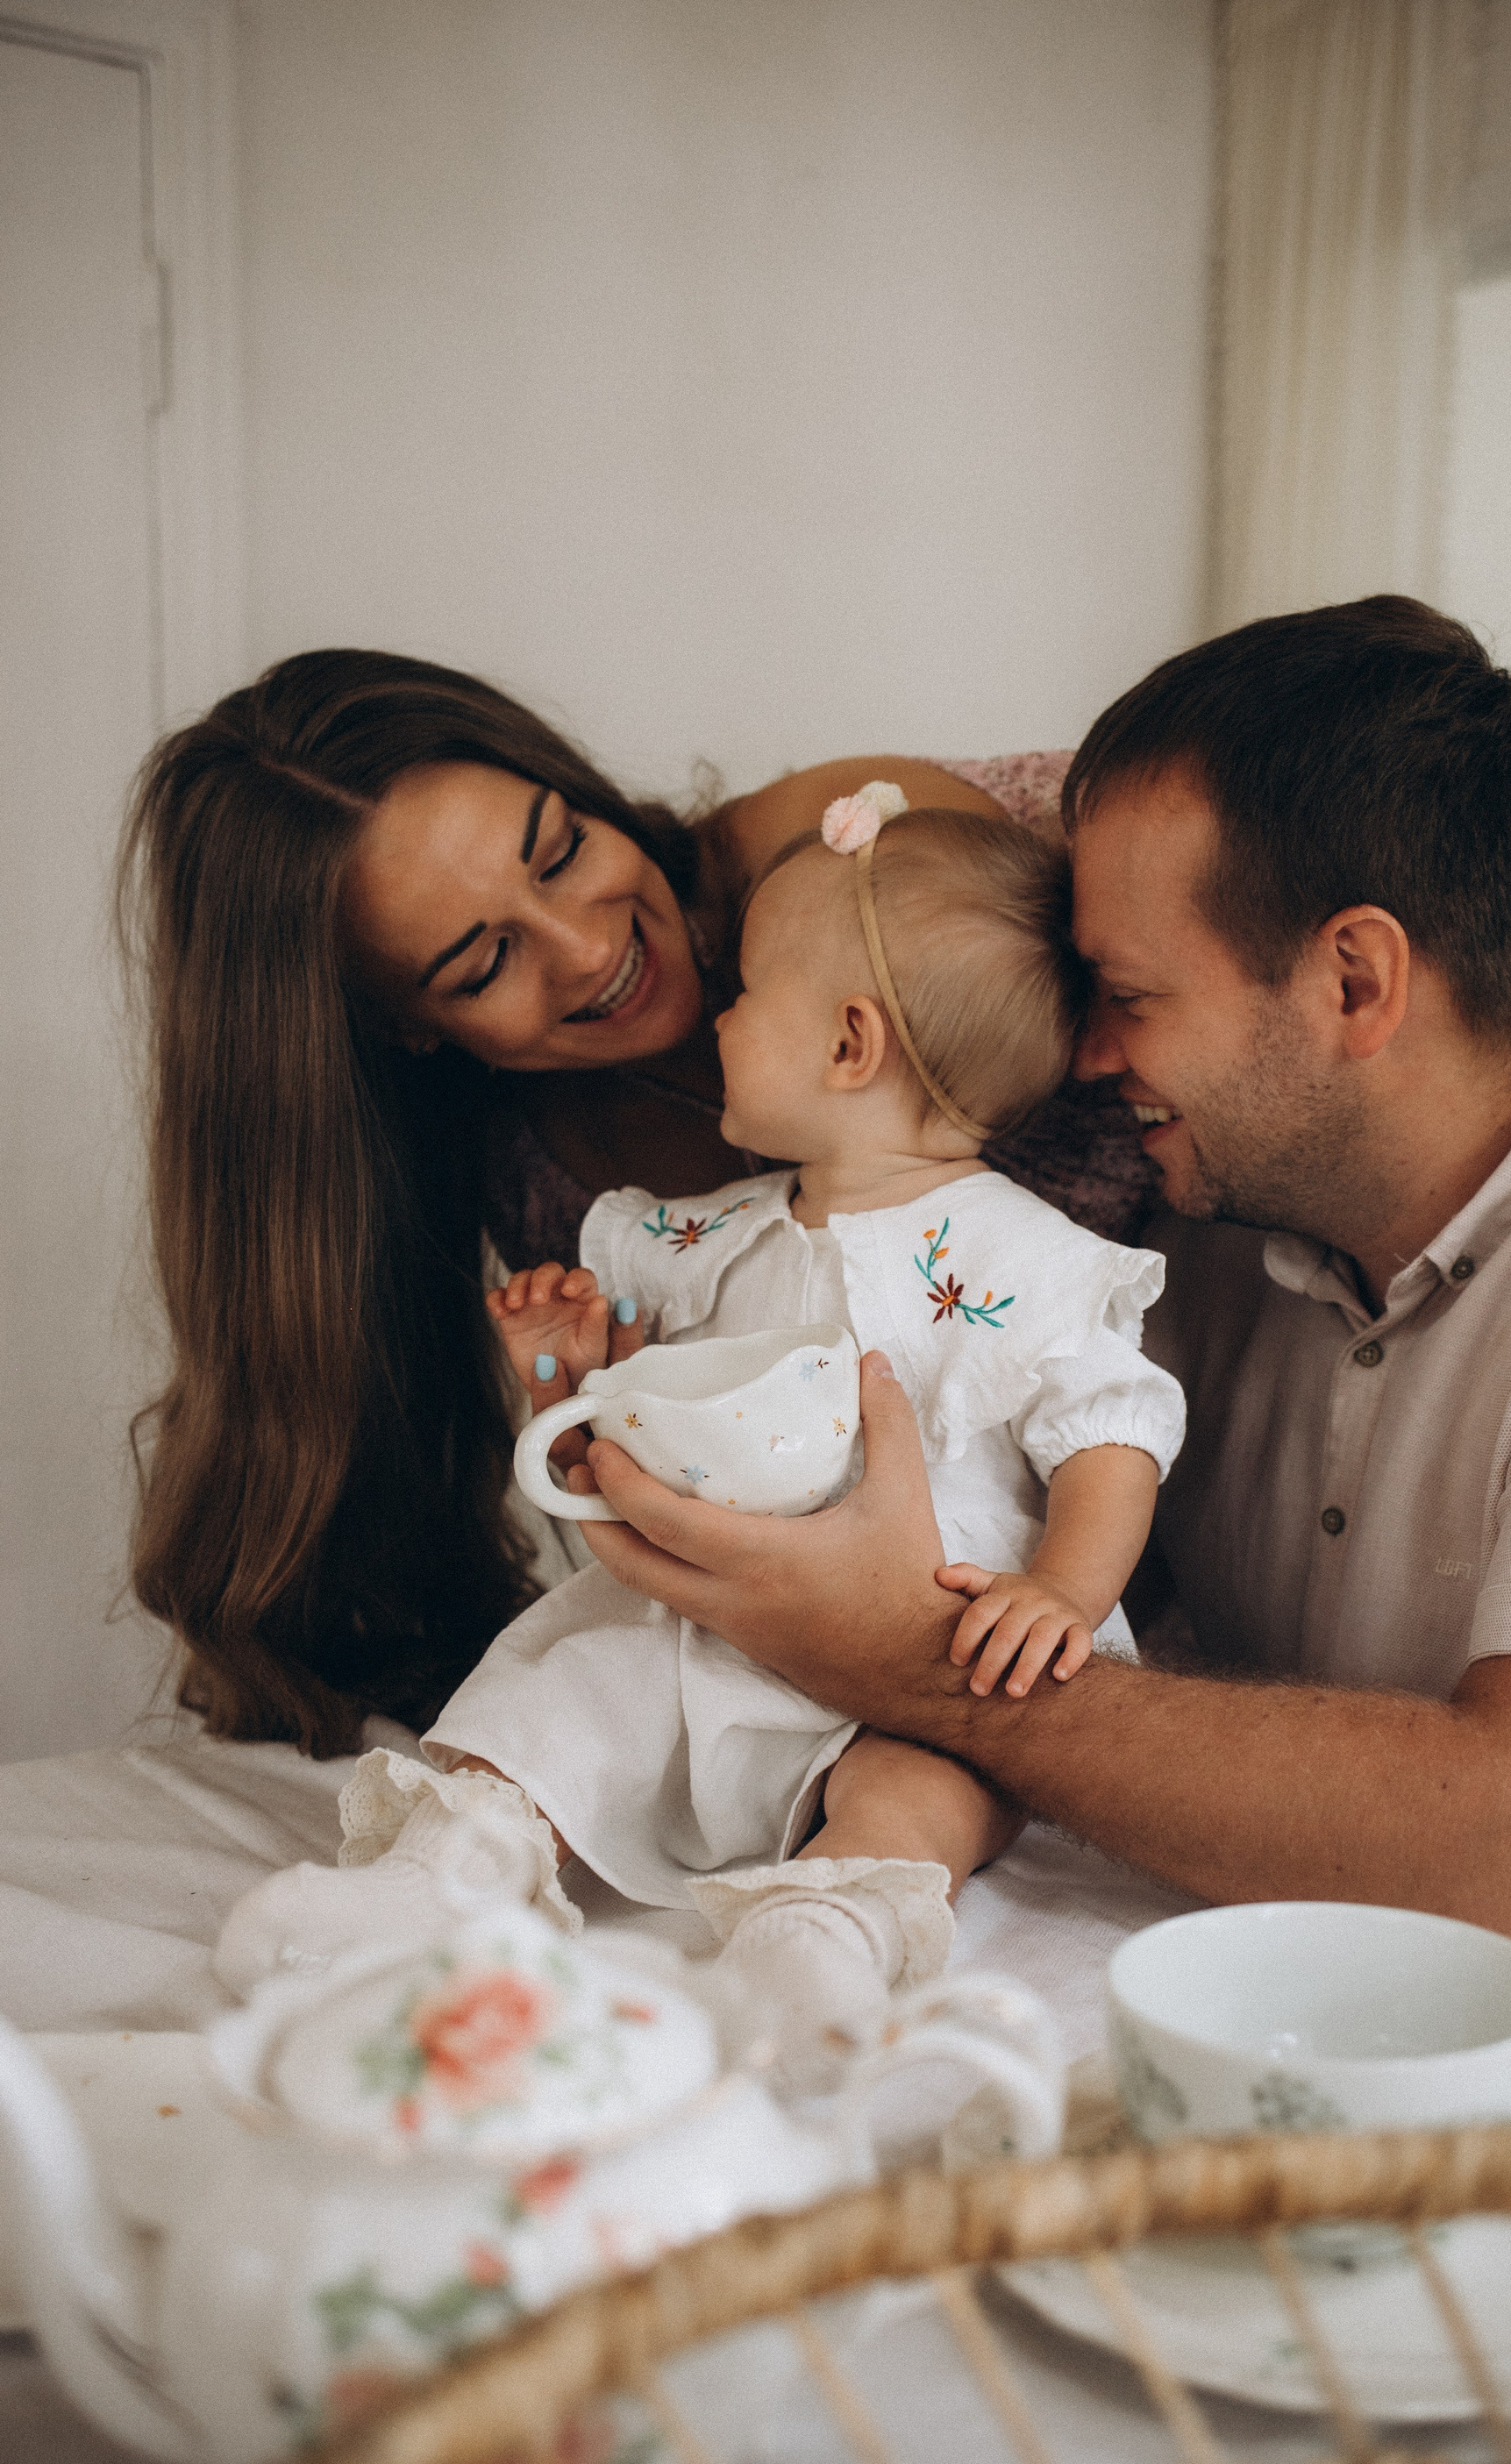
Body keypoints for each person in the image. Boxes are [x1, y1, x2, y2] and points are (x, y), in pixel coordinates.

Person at [548, 598, 1511, 1990]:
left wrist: (908, 1659)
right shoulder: (1187, 1203)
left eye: (1127, 994)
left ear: (1355, 981)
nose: (1084, 1060)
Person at [214, 790, 1184, 2078]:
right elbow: (642, 1422)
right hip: (706, 1632)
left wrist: (1061, 1590)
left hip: (932, 1633)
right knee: (562, 1684)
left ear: (849, 1044)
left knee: (934, 1786)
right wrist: (576, 1378)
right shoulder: (710, 1234)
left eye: (749, 994)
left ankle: (826, 1928)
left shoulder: (1024, 1255)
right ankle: (448, 1871)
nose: (718, 1016)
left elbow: (1111, 1432)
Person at [120, 652, 1150, 1761]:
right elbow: (746, 1472)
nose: (588, 948)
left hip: (1090, 1580)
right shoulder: (541, 1180)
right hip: (863, 1669)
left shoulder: (851, 867)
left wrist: (1066, 1584)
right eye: (484, 964)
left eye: (561, 851)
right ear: (400, 1028)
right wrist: (597, 1425)